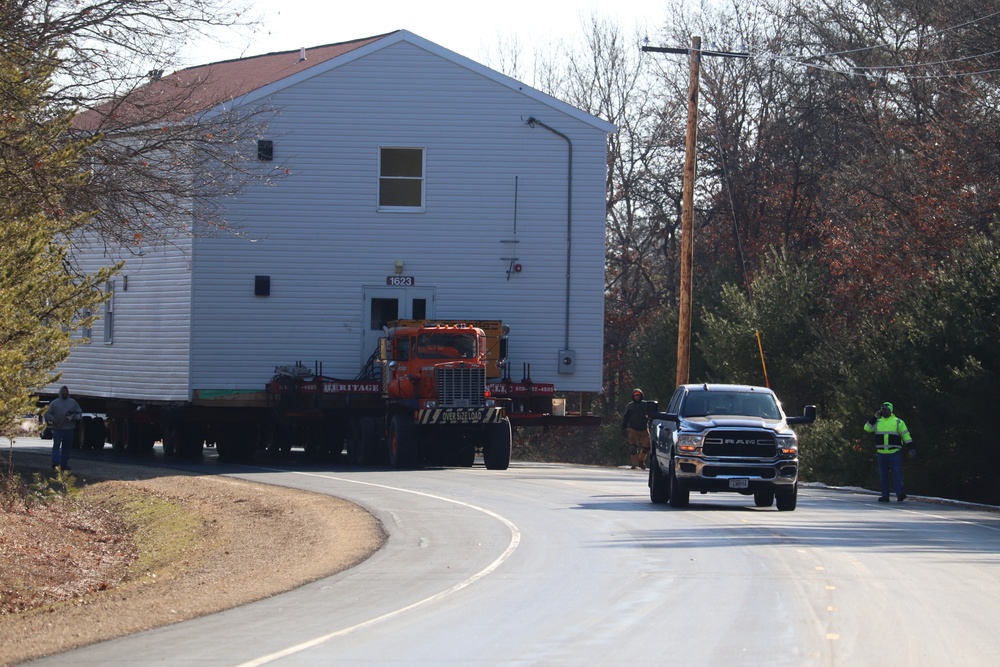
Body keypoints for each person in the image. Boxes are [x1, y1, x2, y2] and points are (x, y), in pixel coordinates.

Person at [864, 401, 916, 502]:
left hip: (894, 452)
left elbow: (906, 436)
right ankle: (885, 495)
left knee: (897, 473)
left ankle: (900, 494)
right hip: (881, 453)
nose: (884, 411)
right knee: (883, 475)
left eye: (886, 410)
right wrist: (875, 417)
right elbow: (866, 428)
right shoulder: (877, 422)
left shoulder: (898, 422)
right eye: (882, 409)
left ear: (891, 411)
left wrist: (911, 449)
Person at [45, 386, 83, 471]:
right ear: (60, 392)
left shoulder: (73, 402)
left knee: (67, 447)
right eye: (64, 392)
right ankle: (55, 463)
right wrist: (54, 420)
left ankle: (64, 464)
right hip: (58, 428)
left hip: (69, 429)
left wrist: (73, 417)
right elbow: (47, 414)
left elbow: (79, 413)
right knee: (56, 446)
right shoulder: (54, 403)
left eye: (67, 392)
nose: (65, 393)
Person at [621, 388, 651, 470]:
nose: (637, 397)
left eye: (638, 395)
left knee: (647, 447)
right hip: (633, 429)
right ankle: (634, 464)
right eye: (635, 395)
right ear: (633, 396)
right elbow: (625, 418)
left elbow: (651, 415)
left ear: (641, 396)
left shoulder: (646, 405)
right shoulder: (630, 406)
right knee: (633, 448)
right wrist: (623, 427)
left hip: (644, 428)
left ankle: (641, 461)